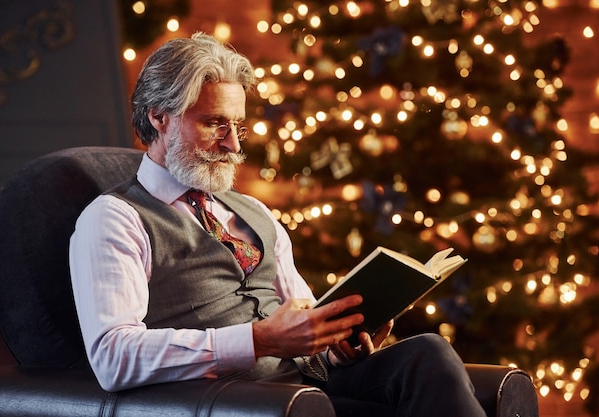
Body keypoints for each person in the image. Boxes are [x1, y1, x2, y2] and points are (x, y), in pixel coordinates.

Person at [69, 32, 486, 417]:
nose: (233, 144)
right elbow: (112, 357)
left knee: (428, 353)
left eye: (238, 126)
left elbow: (304, 328)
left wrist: (336, 346)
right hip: (240, 402)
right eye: (215, 123)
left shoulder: (254, 211)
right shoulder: (114, 218)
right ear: (159, 117)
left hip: (308, 389)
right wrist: (259, 340)